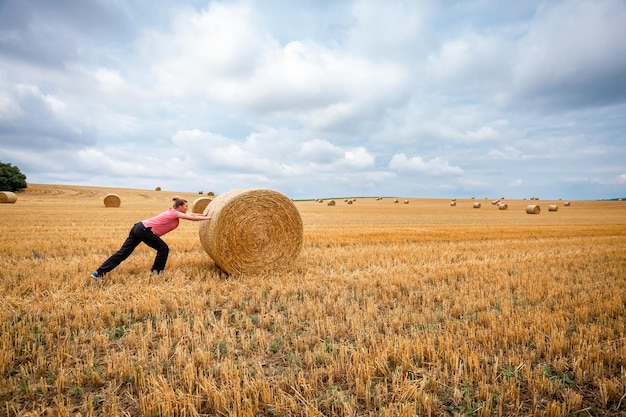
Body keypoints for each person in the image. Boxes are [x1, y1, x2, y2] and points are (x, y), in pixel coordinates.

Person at [91, 196, 211, 279]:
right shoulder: (174, 213)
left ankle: (98, 273)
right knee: (163, 249)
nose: (187, 208)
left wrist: (205, 215)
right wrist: (209, 218)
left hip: (138, 227)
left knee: (122, 253)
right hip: (145, 230)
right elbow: (192, 218)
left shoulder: (172, 211)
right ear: (180, 206)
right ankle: (156, 273)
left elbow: (192, 215)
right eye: (186, 206)